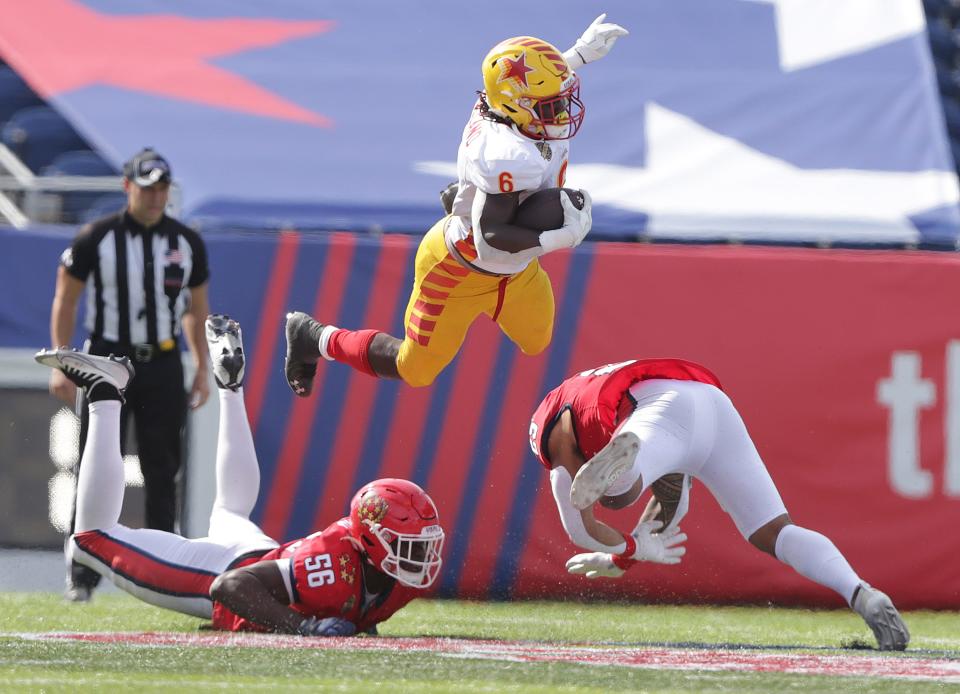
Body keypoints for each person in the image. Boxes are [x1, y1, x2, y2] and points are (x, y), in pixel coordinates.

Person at [34, 315, 445, 635]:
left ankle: (231, 389)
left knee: (231, 510)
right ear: (371, 540)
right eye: (407, 544)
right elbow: (228, 588)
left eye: (420, 545)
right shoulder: (331, 564)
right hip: (223, 570)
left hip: (259, 554)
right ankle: (106, 392)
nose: (420, 557)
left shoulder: (394, 578)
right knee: (90, 539)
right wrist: (302, 628)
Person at [284, 15, 628, 393]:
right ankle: (313, 337)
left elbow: (525, 86)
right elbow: (490, 238)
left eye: (559, 99)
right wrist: (562, 238)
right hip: (459, 267)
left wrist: (577, 54)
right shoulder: (508, 153)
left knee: (537, 341)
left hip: (515, 267)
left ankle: (464, 197)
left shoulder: (506, 108)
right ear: (515, 107)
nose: (561, 111)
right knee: (414, 370)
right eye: (549, 105)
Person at [528, 358, 910, 651]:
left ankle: (635, 464)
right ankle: (862, 593)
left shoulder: (562, 439)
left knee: (614, 493)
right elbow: (671, 514)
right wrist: (627, 557)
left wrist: (626, 550)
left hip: (658, 412)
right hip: (707, 402)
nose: (562, 463)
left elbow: (579, 527)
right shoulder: (586, 409)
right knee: (774, 532)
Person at [47, 146, 211, 600]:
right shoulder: (96, 237)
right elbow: (66, 297)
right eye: (147, 187)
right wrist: (64, 361)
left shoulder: (186, 242)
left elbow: (196, 310)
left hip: (160, 361)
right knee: (96, 465)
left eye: (162, 188)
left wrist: (200, 365)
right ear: (128, 188)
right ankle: (82, 575)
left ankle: (164, 576)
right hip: (105, 361)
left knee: (164, 469)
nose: (156, 197)